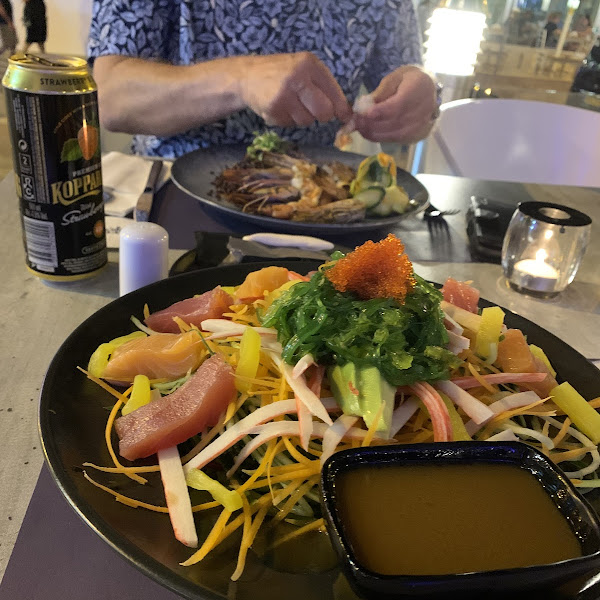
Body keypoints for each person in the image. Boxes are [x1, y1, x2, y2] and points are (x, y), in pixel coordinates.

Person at [88, 0, 440, 158]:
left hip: (319, 202)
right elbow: (110, 98)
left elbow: (405, 84)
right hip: (174, 196)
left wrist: (420, 90)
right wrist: (241, 78)